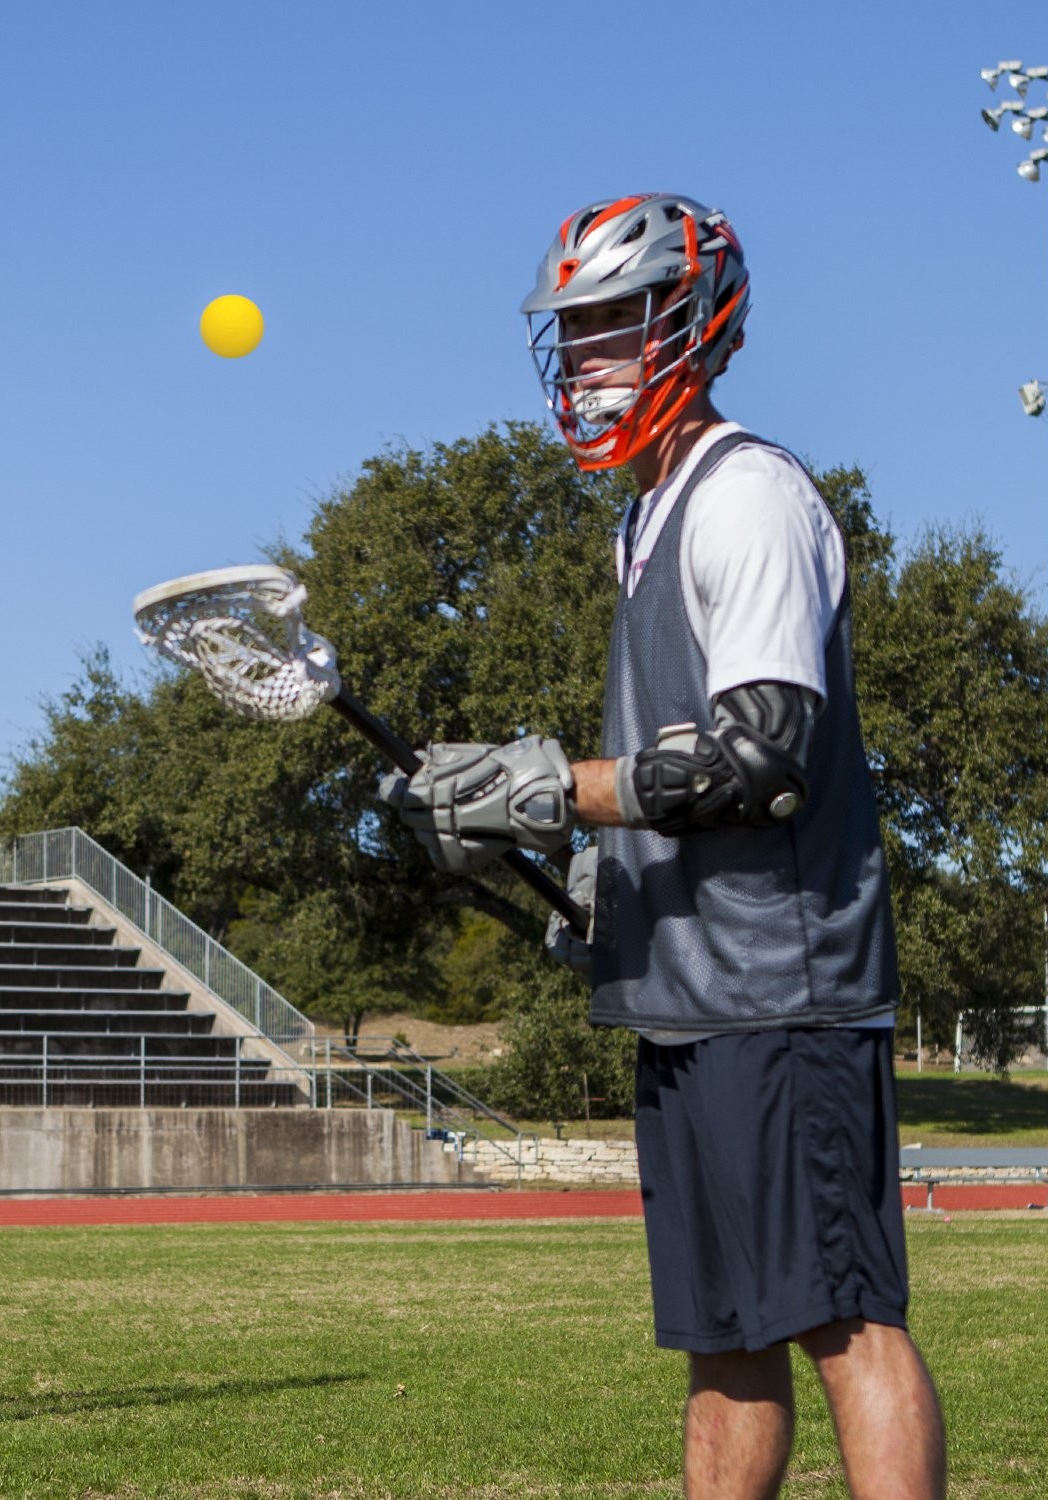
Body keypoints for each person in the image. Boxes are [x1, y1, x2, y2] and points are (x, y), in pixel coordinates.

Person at [382, 193, 946, 1499]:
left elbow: (761, 756)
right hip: (692, 1000)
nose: (586, 359)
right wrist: (599, 878)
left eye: (612, 327)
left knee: (843, 1322)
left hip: (781, 993)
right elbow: (665, 778)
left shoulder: (748, 496)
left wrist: (551, 791)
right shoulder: (643, 519)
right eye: (572, 333)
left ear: (693, 328)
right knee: (725, 1346)